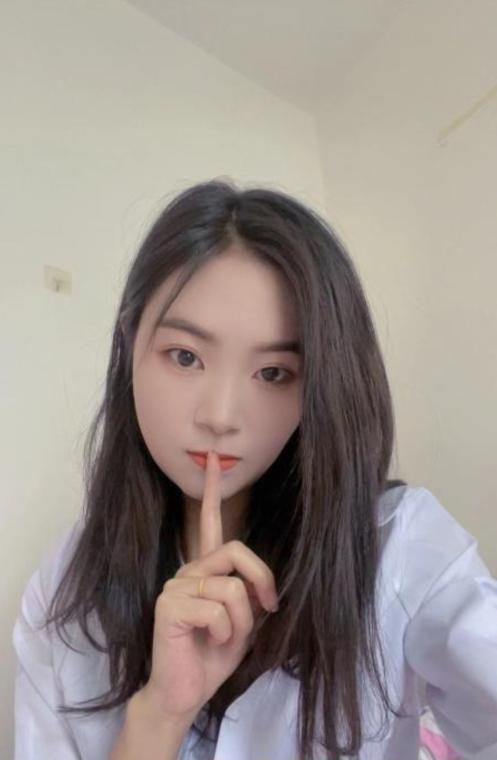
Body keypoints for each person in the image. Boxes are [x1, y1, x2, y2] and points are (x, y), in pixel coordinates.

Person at [12, 179, 497, 760]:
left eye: (273, 374)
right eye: (185, 357)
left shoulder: (399, 546)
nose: (220, 416)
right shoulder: (67, 589)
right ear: (129, 340)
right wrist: (160, 713)